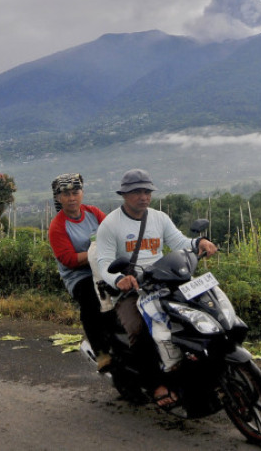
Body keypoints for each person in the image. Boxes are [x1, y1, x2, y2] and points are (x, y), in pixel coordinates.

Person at [95, 168, 218, 408]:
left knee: (201, 314)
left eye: (147, 191)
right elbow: (103, 262)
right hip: (132, 291)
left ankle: (200, 371)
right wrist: (119, 279)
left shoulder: (159, 218)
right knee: (140, 330)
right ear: (124, 195)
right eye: (137, 192)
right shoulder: (110, 225)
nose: (143, 197)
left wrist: (199, 242)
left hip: (164, 282)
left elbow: (180, 242)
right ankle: (155, 384)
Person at [47, 172, 113, 371]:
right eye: (66, 195)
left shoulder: (93, 213)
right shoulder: (57, 226)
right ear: (59, 198)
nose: (72, 198)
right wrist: (94, 252)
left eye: (75, 192)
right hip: (79, 275)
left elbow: (112, 232)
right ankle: (101, 352)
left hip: (103, 266)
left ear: (82, 193)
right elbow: (68, 260)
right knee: (91, 300)